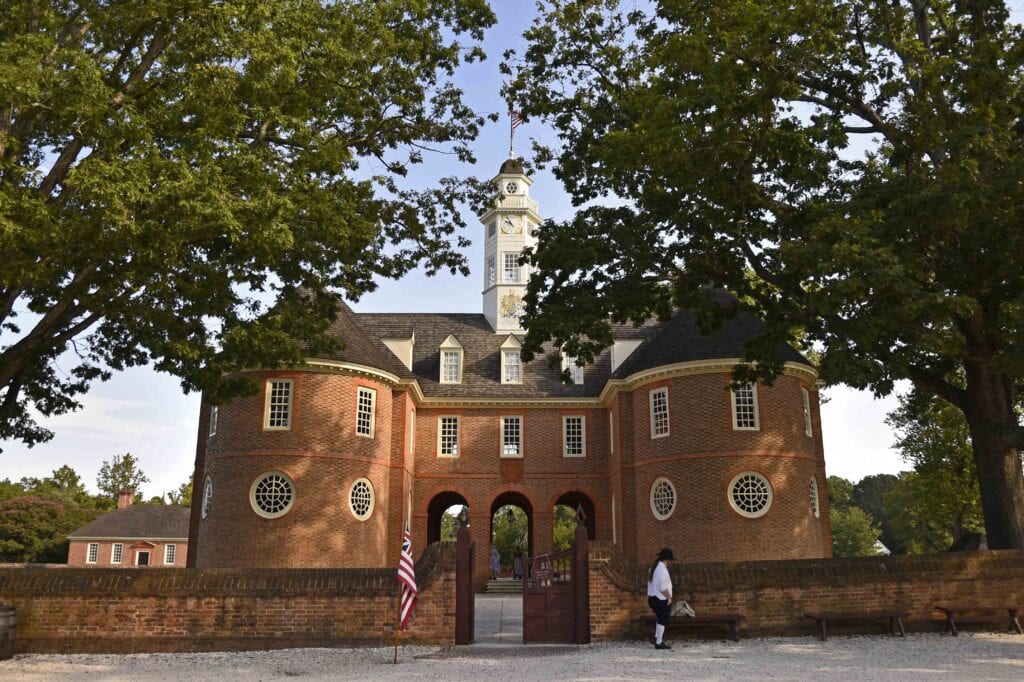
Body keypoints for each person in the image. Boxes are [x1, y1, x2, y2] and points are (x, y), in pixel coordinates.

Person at [647, 547, 674, 650]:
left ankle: (656, 638)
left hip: (652, 599)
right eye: (670, 560)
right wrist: (669, 597)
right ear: (667, 560)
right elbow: (662, 587)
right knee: (663, 619)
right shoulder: (662, 570)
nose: (670, 562)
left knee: (660, 618)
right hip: (660, 600)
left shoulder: (654, 568)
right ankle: (658, 642)